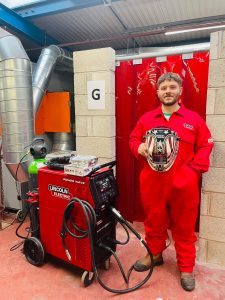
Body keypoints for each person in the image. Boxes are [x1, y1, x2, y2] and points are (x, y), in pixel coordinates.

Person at [129, 72, 214, 292]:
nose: (168, 91)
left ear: (180, 91)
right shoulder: (146, 119)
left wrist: (193, 171)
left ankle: (186, 267)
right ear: (157, 92)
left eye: (172, 87)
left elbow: (206, 145)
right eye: (164, 88)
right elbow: (133, 138)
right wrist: (137, 147)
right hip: (152, 182)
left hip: (184, 185)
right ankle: (155, 254)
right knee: (154, 221)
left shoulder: (194, 120)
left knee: (184, 227)